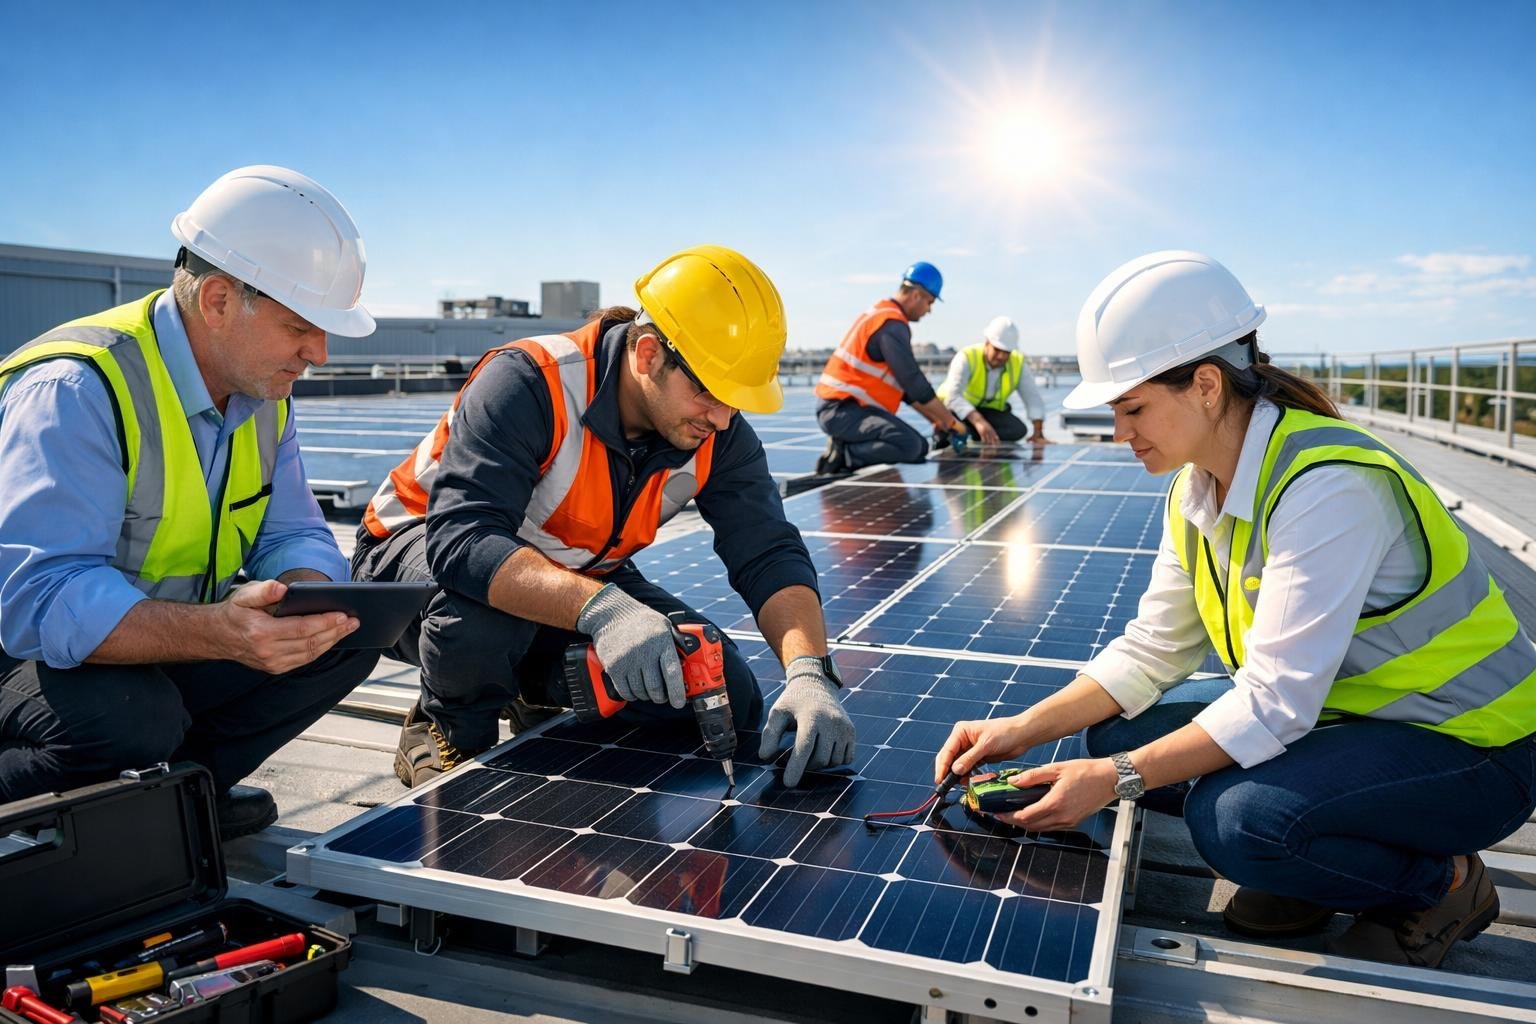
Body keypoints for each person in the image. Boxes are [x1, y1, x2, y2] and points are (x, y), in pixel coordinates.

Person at [935, 250, 1536, 969]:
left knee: (1236, 823)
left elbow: (1276, 701)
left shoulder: (1328, 486)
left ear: (1208, 385)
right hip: (1353, 719)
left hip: (1477, 748)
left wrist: (1117, 781)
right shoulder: (1194, 492)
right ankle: (1318, 869)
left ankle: (1442, 885)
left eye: (1133, 408)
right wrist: (1022, 730)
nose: (1119, 432)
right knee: (1114, 731)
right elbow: (1151, 650)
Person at [354, 246, 854, 789]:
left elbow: (768, 552)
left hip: (573, 575)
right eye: (710, 392)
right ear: (646, 355)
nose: (723, 416)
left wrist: (809, 670)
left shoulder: (719, 433)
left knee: (722, 691)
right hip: (415, 564)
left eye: (737, 400)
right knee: (488, 612)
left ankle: (528, 691)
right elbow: (464, 542)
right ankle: (445, 727)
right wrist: (605, 612)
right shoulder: (531, 380)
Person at [0, 166, 381, 838]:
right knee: (128, 717)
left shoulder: (265, 397)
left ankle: (178, 800)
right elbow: (41, 602)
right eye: (302, 326)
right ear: (218, 302)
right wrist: (218, 632)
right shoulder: (77, 388)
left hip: (150, 640)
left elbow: (295, 532)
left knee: (344, 637)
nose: (318, 354)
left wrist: (302, 597)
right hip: (24, 650)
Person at [813, 262, 967, 475]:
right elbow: (913, 381)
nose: (929, 310)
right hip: (841, 411)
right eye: (929, 302)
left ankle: (847, 450)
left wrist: (938, 420)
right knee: (912, 446)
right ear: (917, 295)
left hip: (847, 410)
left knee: (918, 446)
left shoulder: (883, 315)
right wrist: (951, 421)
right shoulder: (890, 324)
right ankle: (844, 454)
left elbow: (905, 391)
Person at [937, 316, 1049, 445]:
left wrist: (1038, 433)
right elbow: (953, 396)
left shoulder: (1018, 362)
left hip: (989, 412)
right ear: (987, 342)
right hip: (956, 409)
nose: (1001, 356)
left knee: (1018, 430)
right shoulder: (967, 356)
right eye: (997, 350)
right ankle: (960, 434)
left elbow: (1032, 398)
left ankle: (974, 435)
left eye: (1006, 352)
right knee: (947, 430)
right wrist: (979, 422)